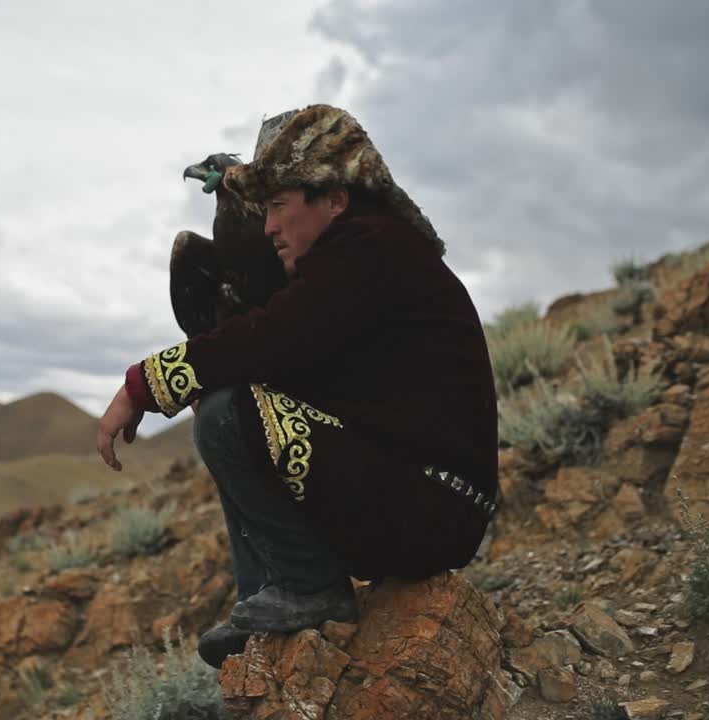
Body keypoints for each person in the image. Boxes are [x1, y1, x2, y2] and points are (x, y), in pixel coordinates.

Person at [94, 104, 501, 668]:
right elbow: (280, 347)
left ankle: (308, 587)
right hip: (423, 495)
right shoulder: (366, 251)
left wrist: (144, 386)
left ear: (334, 198)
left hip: (434, 503)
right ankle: (267, 601)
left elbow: (273, 337)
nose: (268, 226)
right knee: (238, 405)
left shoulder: (367, 246)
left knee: (227, 414)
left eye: (279, 206)